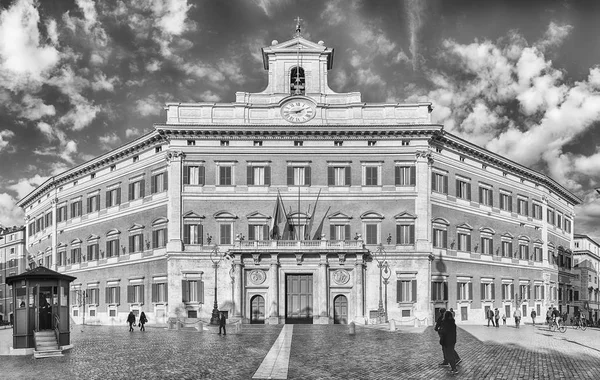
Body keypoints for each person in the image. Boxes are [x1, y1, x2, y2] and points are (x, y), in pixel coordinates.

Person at [440, 310, 459, 375]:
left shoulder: (445, 323)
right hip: (452, 341)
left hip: (447, 341)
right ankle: (453, 368)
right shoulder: (453, 323)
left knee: (449, 355)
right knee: (451, 354)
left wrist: (440, 330)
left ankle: (454, 369)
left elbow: (443, 332)